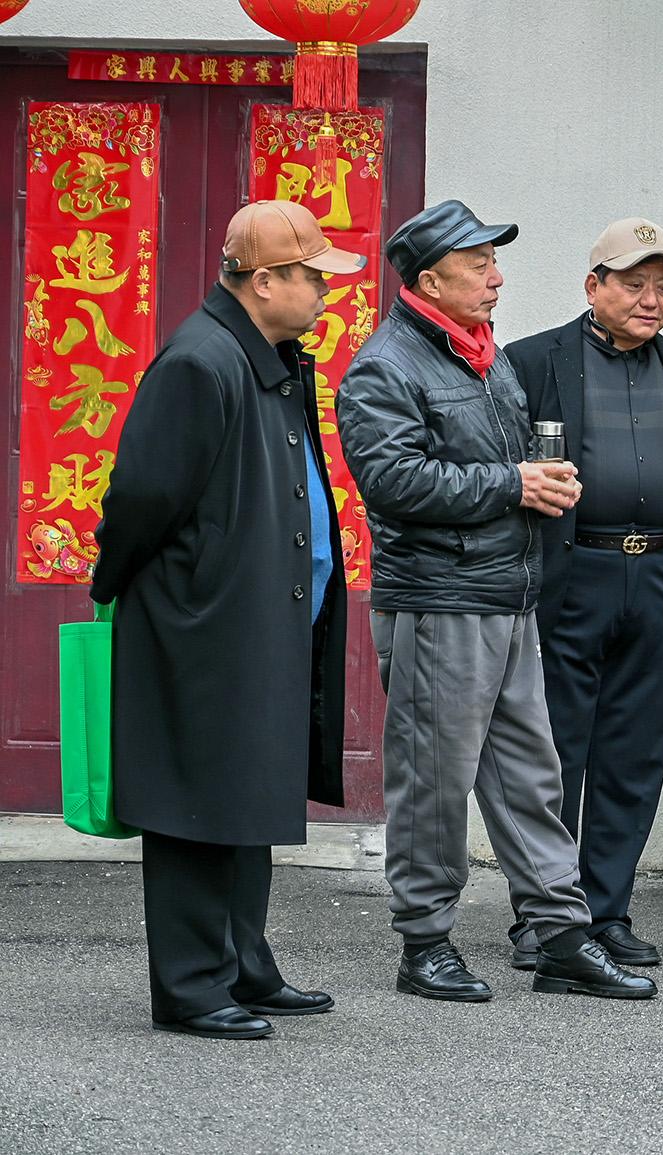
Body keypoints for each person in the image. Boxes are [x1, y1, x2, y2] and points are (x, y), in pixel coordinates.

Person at [338, 200, 655, 1003]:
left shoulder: (482, 353)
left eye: (493, 263)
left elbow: (498, 462)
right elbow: (392, 481)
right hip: (439, 599)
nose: (497, 278)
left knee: (530, 776)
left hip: (507, 594)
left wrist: (537, 480)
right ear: (429, 280)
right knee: (434, 782)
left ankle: (561, 936)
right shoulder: (386, 366)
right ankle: (424, 943)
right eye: (479, 266)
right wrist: (513, 484)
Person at [91, 200, 361, 1039]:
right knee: (195, 799)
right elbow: (142, 498)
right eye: (313, 277)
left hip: (257, 619)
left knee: (248, 789)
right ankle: (190, 985)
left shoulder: (263, 358)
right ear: (264, 280)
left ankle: (243, 964)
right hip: (202, 621)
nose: (325, 292)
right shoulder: (201, 362)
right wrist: (118, 583)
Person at [506, 217, 663, 969]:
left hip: (662, 575)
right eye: (635, 284)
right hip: (573, 574)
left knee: (634, 753)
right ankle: (544, 916)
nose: (651, 300)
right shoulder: (533, 360)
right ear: (593, 285)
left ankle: (606, 911)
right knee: (554, 752)